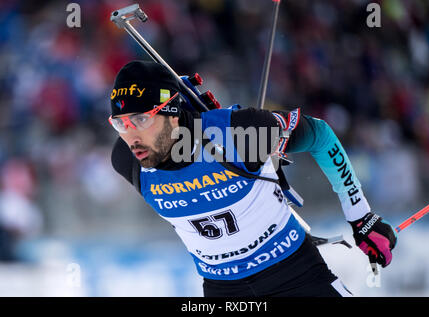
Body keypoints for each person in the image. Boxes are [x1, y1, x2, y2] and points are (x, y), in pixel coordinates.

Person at [108, 60, 397, 297]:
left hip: (296, 276)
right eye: (120, 123)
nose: (131, 136)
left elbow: (320, 136)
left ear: (172, 114)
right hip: (223, 293)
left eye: (141, 119)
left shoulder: (239, 133)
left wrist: (361, 217)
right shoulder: (126, 160)